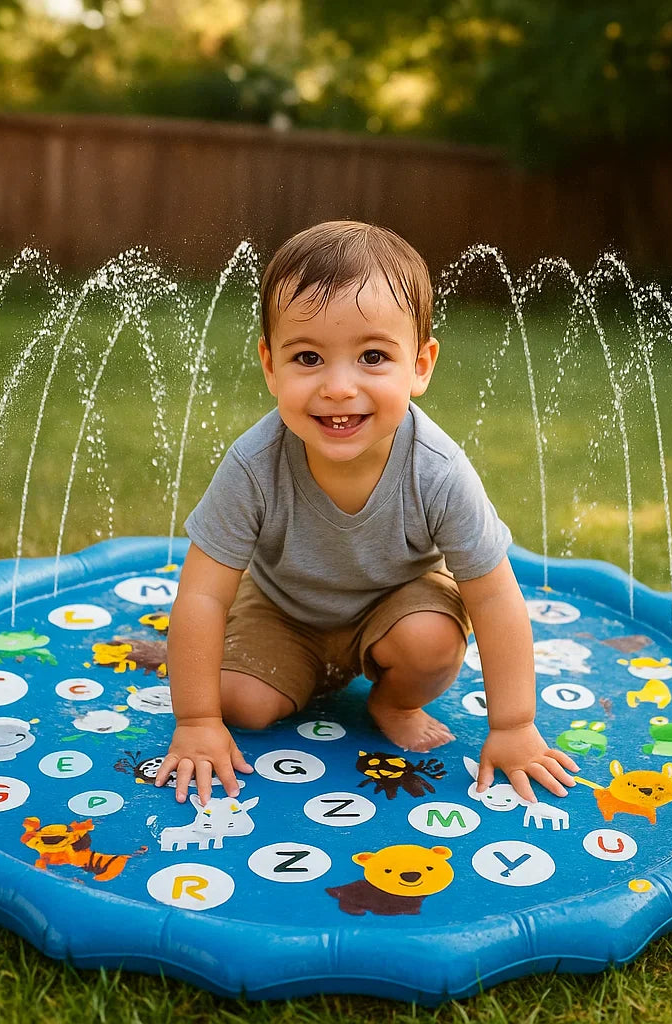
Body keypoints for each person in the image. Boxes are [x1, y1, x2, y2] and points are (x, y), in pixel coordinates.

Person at [155, 221, 579, 805]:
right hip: (285, 609)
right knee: (243, 706)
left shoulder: (437, 470)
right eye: (307, 357)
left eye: (373, 356)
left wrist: (513, 726)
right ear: (270, 365)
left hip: (396, 606)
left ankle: (391, 698)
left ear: (421, 365)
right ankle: (304, 675)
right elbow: (202, 595)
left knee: (430, 641)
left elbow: (493, 595)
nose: (337, 387)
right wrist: (198, 720)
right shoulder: (254, 464)